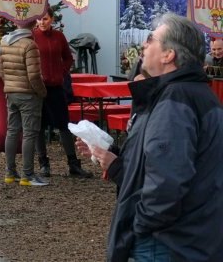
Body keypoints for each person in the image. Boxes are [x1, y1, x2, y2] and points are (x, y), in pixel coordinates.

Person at [92, 14, 223, 262]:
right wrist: (117, 160)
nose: (144, 44)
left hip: (165, 243)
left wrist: (140, 225)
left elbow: (167, 182)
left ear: (168, 55)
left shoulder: (175, 100)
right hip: (188, 239)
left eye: (151, 39)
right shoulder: (190, 94)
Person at [31, 7, 91, 178]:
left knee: (64, 125)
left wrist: (61, 71)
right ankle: (44, 164)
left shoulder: (58, 36)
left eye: (45, 19)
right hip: (38, 88)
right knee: (39, 127)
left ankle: (73, 164)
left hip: (56, 87)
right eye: (39, 19)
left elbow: (68, 57)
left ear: (52, 20)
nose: (42, 22)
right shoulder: (32, 36)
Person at [0, 15, 47, 186]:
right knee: (29, 133)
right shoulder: (29, 45)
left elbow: (1, 71)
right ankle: (28, 175)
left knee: (12, 131)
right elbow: (34, 75)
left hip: (11, 92)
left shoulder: (5, 42)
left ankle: (10, 173)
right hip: (28, 94)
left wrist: (10, 85)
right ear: (33, 25)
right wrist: (42, 92)